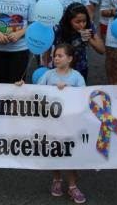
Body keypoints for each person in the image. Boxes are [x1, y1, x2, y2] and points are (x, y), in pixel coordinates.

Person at [16, 43, 87, 204]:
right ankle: (57, 179)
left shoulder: (76, 76)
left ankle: (73, 186)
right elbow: (36, 91)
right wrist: (22, 86)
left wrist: (68, 88)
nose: (56, 58)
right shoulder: (48, 75)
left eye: (60, 56)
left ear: (70, 59)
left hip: (70, 124)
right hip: (52, 124)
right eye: (55, 55)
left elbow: (84, 95)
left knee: (71, 154)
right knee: (54, 151)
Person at [44, 3, 105, 81]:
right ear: (69, 21)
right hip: (59, 68)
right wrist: (45, 67)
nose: (82, 25)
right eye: (77, 22)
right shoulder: (58, 28)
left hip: (80, 68)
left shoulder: (89, 25)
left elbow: (102, 50)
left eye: (84, 21)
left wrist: (90, 39)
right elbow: (47, 47)